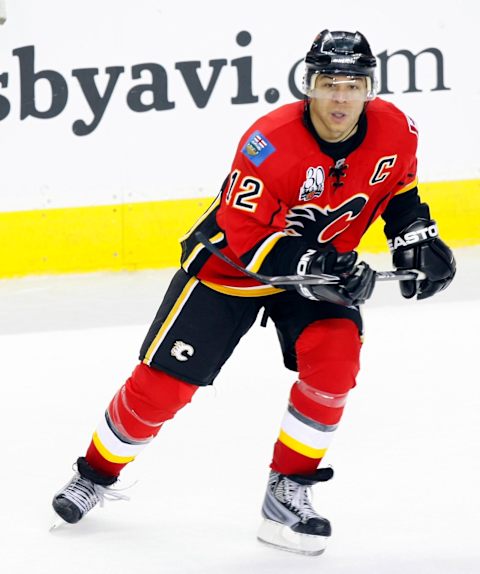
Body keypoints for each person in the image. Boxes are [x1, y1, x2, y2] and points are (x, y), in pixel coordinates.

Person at [52, 29, 456, 555]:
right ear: (308, 85)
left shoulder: (396, 130)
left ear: (369, 88)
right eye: (329, 83)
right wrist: (319, 262)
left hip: (316, 273)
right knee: (161, 389)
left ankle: (288, 493)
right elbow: (244, 237)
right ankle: (95, 475)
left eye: (353, 84)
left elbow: (397, 186)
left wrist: (413, 235)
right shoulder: (269, 141)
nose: (340, 97)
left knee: (335, 362)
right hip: (232, 270)